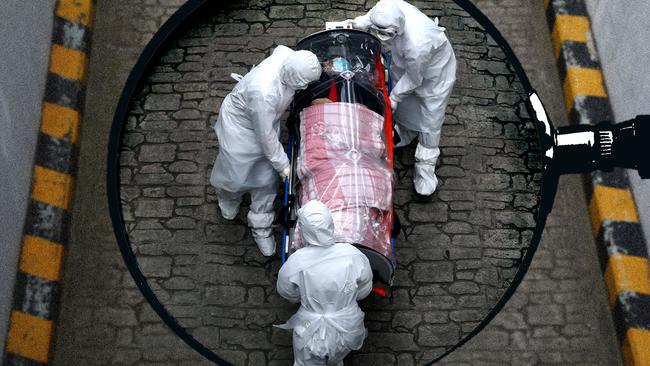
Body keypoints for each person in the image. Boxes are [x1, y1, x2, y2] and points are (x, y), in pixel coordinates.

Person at [210, 46, 321, 256]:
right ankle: (228, 196)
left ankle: (261, 226)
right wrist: (283, 165)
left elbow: (280, 50)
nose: (304, 87)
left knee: (266, 181)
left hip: (266, 122)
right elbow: (265, 136)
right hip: (240, 128)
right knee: (234, 173)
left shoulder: (288, 58)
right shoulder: (263, 92)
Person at [348, 0, 457, 196]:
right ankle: (406, 133)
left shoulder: (418, 44)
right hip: (405, 65)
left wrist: (394, 98)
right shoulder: (388, 6)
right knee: (407, 107)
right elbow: (372, 16)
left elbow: (414, 79)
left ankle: (425, 167)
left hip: (434, 75)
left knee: (431, 118)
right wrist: (360, 23)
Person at [275, 200, 373, 366]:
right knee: (337, 357)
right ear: (331, 225)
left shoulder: (296, 262)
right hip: (347, 325)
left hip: (310, 331)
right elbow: (364, 289)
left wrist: (305, 296)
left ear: (304, 230)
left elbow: (286, 292)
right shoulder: (353, 254)